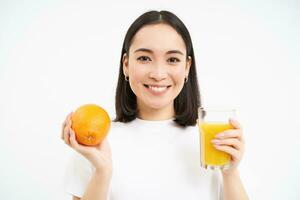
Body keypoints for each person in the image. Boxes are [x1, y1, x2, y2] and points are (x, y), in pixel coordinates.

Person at [61, 10, 248, 200]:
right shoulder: (98, 143)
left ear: (187, 67)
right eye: (144, 58)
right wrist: (102, 171)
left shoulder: (215, 142)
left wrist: (230, 172)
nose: (158, 73)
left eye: (172, 59)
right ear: (126, 64)